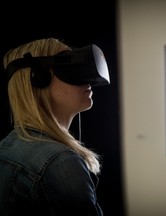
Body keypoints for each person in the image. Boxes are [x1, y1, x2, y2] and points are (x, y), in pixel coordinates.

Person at [0, 38, 110, 215]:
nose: (85, 77)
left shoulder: (8, 145)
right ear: (39, 79)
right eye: (70, 68)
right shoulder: (59, 162)